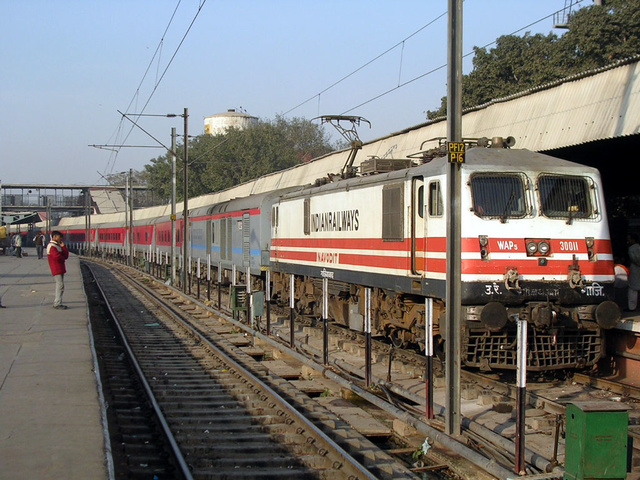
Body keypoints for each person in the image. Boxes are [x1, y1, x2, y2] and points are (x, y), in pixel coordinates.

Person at [47, 231, 69, 310]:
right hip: (56, 268)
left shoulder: (57, 246)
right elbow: (57, 257)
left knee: (61, 285)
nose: (61, 239)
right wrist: (62, 257)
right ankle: (57, 303)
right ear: (55, 237)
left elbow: (66, 256)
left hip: (60, 268)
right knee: (60, 285)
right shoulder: (52, 246)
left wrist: (63, 247)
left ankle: (58, 302)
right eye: (60, 237)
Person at [627, 233, 640, 312]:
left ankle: (631, 308)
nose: (628, 241)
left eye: (629, 239)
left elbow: (636, 260)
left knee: (632, 289)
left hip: (636, 270)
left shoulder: (632, 248)